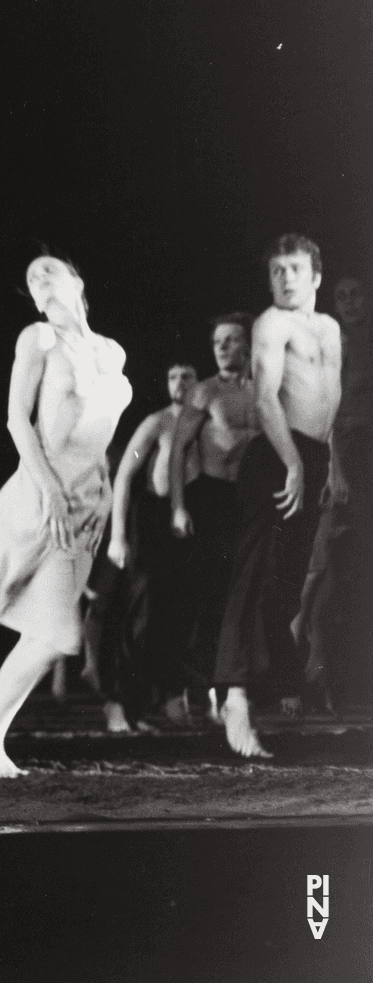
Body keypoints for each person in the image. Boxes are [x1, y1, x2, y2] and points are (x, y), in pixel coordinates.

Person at [0, 256, 132, 778]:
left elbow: (100, 434)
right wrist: (53, 494)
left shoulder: (111, 351)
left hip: (88, 500)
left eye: (48, 270)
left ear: (78, 283)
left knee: (49, 630)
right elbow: (18, 421)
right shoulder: (38, 339)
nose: (36, 278)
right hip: (44, 493)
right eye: (31, 276)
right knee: (62, 635)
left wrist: (102, 494)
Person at [214, 235, 342, 758]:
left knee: (286, 588)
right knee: (252, 578)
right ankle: (234, 697)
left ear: (315, 276)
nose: (285, 278)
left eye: (294, 268)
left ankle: (266, 683)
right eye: (276, 271)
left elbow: (328, 397)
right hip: (275, 456)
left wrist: (326, 463)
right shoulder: (271, 324)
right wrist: (291, 461)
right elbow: (266, 398)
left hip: (311, 460)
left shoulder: (330, 328)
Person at [168, 313, 259, 722]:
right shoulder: (203, 393)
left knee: (245, 598)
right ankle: (198, 686)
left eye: (232, 339)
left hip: (251, 500)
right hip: (212, 497)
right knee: (209, 596)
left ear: (247, 344)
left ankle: (232, 690)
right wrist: (178, 506)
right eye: (218, 340)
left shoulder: (263, 392)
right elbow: (177, 450)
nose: (222, 347)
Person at [103, 362, 199, 730]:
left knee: (180, 615)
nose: (179, 382)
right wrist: (118, 535)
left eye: (186, 376)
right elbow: (125, 475)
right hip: (153, 520)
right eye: (172, 376)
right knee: (141, 613)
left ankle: (172, 698)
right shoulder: (157, 422)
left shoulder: (205, 419)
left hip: (190, 521)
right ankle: (119, 705)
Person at [299, 276, 369, 707]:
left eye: (356, 293)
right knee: (327, 565)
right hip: (345, 459)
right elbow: (325, 412)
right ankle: (309, 652)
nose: (348, 302)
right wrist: (336, 471)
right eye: (340, 296)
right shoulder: (333, 346)